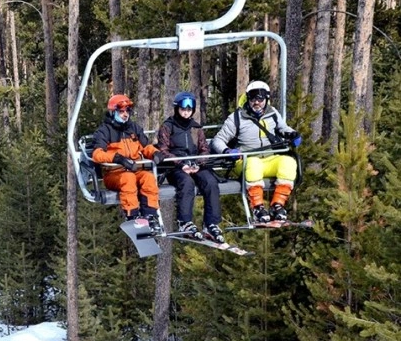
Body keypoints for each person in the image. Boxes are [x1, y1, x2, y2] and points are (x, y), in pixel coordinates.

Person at [210, 81, 302, 223]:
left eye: (260, 99)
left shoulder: (272, 114)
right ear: (248, 99)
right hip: (246, 160)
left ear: (266, 99)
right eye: (253, 99)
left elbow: (284, 128)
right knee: (254, 163)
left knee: (288, 162)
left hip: (269, 158)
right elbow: (218, 140)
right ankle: (257, 207)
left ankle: (278, 205)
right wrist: (227, 151)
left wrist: (292, 135)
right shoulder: (237, 118)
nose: (256, 103)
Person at [156, 92, 225, 242]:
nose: (186, 112)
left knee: (211, 182)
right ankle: (184, 221)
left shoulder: (195, 128)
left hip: (195, 165)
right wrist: (180, 163)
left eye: (189, 109)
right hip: (175, 167)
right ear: (177, 109)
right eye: (183, 109)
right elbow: (163, 150)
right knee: (187, 184)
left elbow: (204, 148)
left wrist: (199, 163)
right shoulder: (168, 127)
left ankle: (211, 223)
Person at [91, 94, 164, 228]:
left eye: (127, 111)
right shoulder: (105, 131)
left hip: (135, 169)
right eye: (121, 111)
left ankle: (150, 214)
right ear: (113, 112)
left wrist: (156, 153)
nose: (125, 115)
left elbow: (145, 146)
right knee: (128, 178)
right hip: (114, 174)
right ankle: (132, 215)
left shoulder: (133, 128)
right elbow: (97, 154)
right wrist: (117, 158)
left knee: (148, 177)